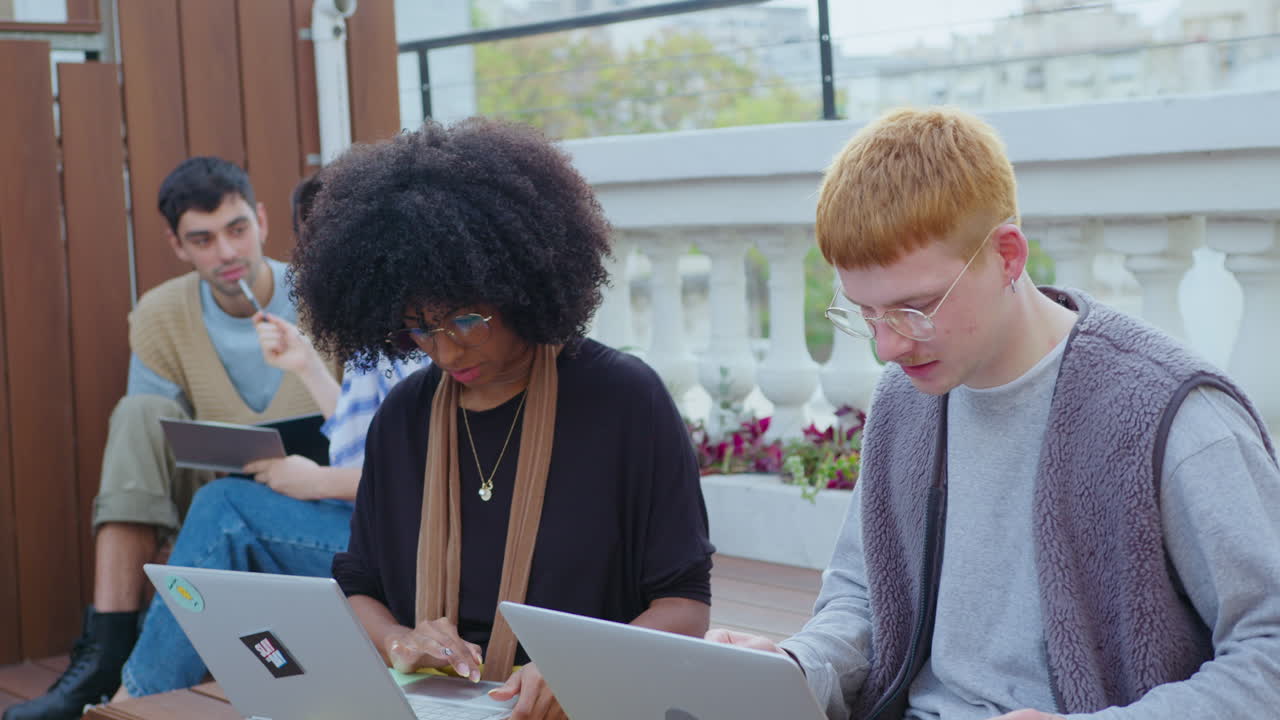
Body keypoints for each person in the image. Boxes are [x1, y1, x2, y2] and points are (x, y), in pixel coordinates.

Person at [707, 106, 1280, 720]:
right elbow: (865, 598)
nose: (887, 346)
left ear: (1008, 256)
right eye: (865, 313)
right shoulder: (906, 399)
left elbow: (1268, 654)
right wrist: (793, 668)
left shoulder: (1174, 413)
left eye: (914, 308)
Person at [290, 118, 716, 720]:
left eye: (466, 319)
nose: (445, 351)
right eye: (419, 325)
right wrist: (400, 642)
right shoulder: (404, 419)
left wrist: (586, 668)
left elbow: (685, 604)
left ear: (520, 286)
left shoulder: (624, 401)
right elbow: (360, 587)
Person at [3, 158, 327, 720]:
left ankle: (127, 686)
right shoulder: (160, 314)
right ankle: (104, 651)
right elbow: (152, 447)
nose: (226, 253)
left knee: (224, 504)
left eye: (237, 229)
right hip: (209, 489)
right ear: (178, 246)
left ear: (263, 220)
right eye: (202, 239)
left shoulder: (321, 297)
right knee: (138, 412)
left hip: (316, 493)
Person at [102, 174, 431, 702]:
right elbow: (371, 443)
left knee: (226, 511)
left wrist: (317, 480)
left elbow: (422, 480)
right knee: (224, 511)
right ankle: (138, 691)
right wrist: (308, 367)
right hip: (371, 538)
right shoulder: (375, 330)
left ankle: (131, 700)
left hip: (410, 555)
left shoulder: (426, 337)